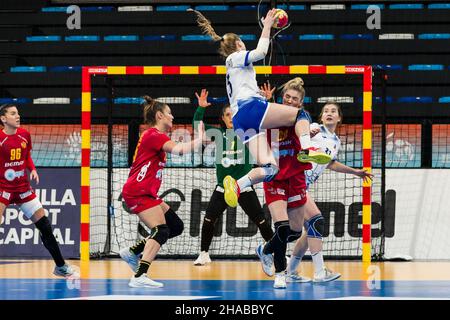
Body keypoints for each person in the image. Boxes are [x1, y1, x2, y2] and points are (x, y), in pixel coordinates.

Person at [189, 8, 332, 209]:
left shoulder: (234, 69)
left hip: (240, 119)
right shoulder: (235, 57)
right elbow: (261, 52)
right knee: (301, 114)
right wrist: (266, 26)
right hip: (250, 109)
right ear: (238, 44)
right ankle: (307, 148)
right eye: (242, 43)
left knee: (271, 168)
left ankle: (237, 185)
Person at [119, 96, 204, 288]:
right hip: (137, 192)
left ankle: (132, 252)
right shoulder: (153, 135)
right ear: (159, 116)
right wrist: (198, 140)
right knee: (161, 229)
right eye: (169, 113)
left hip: (146, 193)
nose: (172, 117)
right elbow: (180, 150)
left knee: (175, 226)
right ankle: (140, 275)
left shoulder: (154, 136)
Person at [285, 101, 374, 283]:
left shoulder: (336, 141)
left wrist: (355, 172)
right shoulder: (315, 130)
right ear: (321, 117)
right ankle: (320, 272)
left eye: (333, 111)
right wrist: (308, 133)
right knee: (316, 222)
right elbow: (300, 140)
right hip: (295, 180)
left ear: (339, 118)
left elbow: (330, 163)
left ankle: (291, 271)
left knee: (308, 231)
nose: (329, 113)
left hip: (304, 185)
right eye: (326, 111)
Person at [192, 89, 273, 266]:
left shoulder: (249, 133)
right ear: (223, 118)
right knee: (208, 219)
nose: (231, 117)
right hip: (222, 187)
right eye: (227, 115)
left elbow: (267, 122)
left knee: (262, 221)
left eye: (233, 114)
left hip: (243, 186)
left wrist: (268, 101)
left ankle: (278, 253)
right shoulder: (218, 134)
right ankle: (204, 254)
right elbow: (197, 125)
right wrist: (201, 109)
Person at [0, 104, 76, 277]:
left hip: (22, 188)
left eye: (18, 113)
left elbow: (26, 156)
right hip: (2, 188)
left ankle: (60, 266)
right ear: (3, 119)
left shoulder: (25, 135)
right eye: (13, 114)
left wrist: (32, 169)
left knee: (45, 226)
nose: (17, 116)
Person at [255, 78, 315, 289]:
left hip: (296, 177)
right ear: (282, 98)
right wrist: (264, 102)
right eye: (287, 97)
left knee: (296, 232)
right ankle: (281, 274)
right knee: (281, 228)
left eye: (294, 99)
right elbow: (255, 118)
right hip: (274, 177)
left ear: (300, 103)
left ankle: (265, 250)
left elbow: (305, 126)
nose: (290, 101)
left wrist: (308, 138)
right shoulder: (269, 115)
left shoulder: (302, 118)